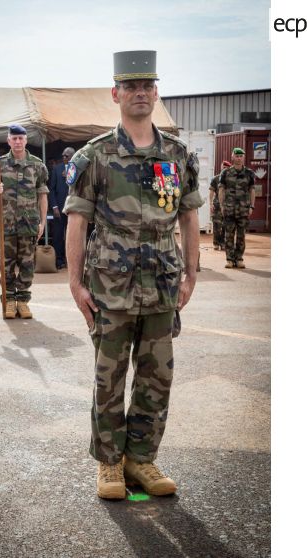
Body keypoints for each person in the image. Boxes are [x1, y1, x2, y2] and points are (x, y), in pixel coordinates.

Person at [64, 50, 204, 500]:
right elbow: (77, 222)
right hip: (111, 287)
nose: (140, 93)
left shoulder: (178, 155)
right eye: (131, 86)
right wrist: (75, 282)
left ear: (156, 92)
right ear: (116, 93)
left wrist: (191, 273)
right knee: (109, 378)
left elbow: (188, 218)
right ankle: (109, 463)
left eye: (147, 86)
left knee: (156, 376)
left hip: (163, 285)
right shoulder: (97, 156)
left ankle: (140, 459)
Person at [0, 124, 49, 319]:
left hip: (29, 225)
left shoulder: (37, 165)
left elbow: (42, 195)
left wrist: (42, 224)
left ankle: (22, 301)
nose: (18, 141)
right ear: (9, 141)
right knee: (5, 265)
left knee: (27, 264)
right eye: (14, 138)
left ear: (26, 140)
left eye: (21, 138)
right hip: (6, 224)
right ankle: (9, 301)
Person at [218, 147, 256, 269]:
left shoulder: (249, 173)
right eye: (236, 156)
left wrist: (252, 206)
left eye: (241, 156)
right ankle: (229, 259)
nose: (239, 158)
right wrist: (221, 205)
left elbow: (252, 190)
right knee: (228, 235)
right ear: (232, 157)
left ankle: (239, 259)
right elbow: (221, 189)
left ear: (243, 157)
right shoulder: (226, 173)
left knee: (241, 236)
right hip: (229, 209)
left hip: (243, 210)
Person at [49, 147, 76, 269]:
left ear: (73, 157)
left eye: (67, 156)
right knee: (58, 236)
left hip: (74, 209)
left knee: (73, 237)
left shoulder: (78, 169)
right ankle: (59, 261)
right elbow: (52, 189)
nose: (64, 158)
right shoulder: (57, 169)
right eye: (63, 156)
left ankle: (73, 262)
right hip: (59, 208)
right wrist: (54, 207)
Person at [209, 160, 231, 251]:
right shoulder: (215, 178)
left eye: (226, 168)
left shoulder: (231, 179)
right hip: (217, 205)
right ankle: (216, 243)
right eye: (223, 167)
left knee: (226, 225)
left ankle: (223, 243)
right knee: (217, 225)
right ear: (221, 167)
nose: (224, 169)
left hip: (228, 205)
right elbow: (211, 191)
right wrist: (210, 203)